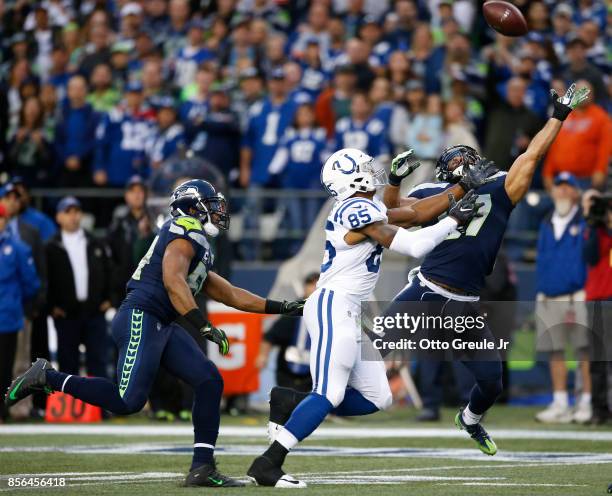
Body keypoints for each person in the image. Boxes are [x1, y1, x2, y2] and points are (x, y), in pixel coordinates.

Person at [6, 179, 305, 487]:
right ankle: (48, 377)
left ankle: (202, 467)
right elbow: (173, 279)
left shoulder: (197, 241)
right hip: (142, 315)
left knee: (209, 379)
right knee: (127, 402)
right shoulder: (184, 229)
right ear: (192, 207)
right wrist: (202, 325)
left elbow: (228, 293)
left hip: (160, 321)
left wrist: (284, 307)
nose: (217, 210)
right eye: (211, 203)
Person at [247, 148, 488, 487]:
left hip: (348, 308)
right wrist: (453, 218)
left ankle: (290, 401)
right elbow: (413, 245)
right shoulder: (353, 207)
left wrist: (455, 190)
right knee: (328, 394)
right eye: (364, 168)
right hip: (333, 304)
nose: (370, 171)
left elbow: (412, 213)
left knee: (379, 397)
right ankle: (268, 463)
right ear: (350, 178)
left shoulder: (365, 207)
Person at [383, 83, 590, 455]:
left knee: (491, 380)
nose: (468, 166)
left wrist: (558, 116)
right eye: (460, 162)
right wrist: (394, 180)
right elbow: (395, 214)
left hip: (465, 303)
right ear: (447, 170)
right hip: (427, 290)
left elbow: (532, 155)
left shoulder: (499, 186)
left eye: (469, 160)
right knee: (376, 349)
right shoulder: (433, 191)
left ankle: (470, 419)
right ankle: (313, 393)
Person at [534, 173, 590, 424]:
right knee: (554, 351)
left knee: (584, 350)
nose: (564, 192)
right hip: (548, 295)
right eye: (560, 187)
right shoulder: (546, 221)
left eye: (569, 188)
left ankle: (586, 402)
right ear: (553, 192)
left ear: (577, 193)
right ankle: (559, 402)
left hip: (576, 294)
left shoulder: (586, 221)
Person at [46, 197, 113, 379]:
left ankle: (100, 407)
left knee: (98, 363)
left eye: (76, 212)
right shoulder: (51, 247)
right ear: (59, 217)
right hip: (66, 314)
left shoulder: (95, 242)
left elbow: (108, 271)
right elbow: (46, 280)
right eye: (68, 212)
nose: (73, 216)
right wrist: (51, 307)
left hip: (95, 312)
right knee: (68, 365)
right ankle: (70, 407)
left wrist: (109, 299)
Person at [0, 203, 40, 422]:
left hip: (7, 316)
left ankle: (5, 410)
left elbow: (31, 283)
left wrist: (16, 302)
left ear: (5, 221)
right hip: (8, 312)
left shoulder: (17, 248)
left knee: (8, 367)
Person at [255, 273, 320, 393]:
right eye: (311, 284)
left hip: (316, 369)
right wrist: (263, 356)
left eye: (317, 284)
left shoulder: (330, 312)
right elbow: (271, 335)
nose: (314, 288)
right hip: (288, 369)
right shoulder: (294, 311)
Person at [542, 80, 611, 191]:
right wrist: (547, 173)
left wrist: (600, 171)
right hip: (560, 178)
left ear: (593, 95)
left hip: (586, 179)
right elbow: (554, 146)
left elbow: (605, 148)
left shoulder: (601, 118)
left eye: (586, 92)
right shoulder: (563, 115)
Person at [582, 190, 612, 424]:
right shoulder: (594, 231)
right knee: (598, 360)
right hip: (597, 300)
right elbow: (590, 257)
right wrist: (593, 224)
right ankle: (598, 409)